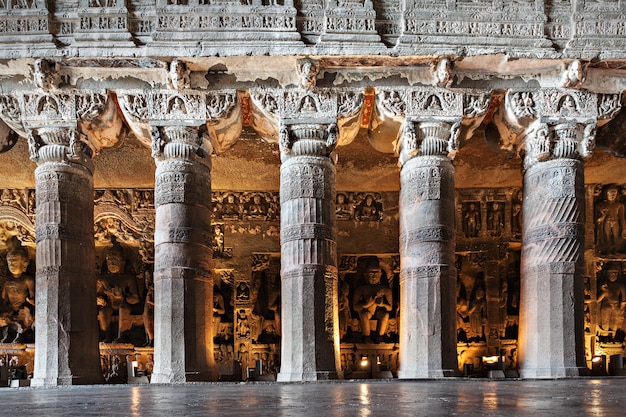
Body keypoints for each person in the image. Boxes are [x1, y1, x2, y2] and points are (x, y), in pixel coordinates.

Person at [97, 241, 141, 343]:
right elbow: (96, 296)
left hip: (124, 304)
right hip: (109, 304)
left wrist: (123, 296)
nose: (112, 264)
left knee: (123, 309)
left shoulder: (128, 278)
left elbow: (136, 297)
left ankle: (122, 336)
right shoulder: (103, 279)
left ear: (122, 262)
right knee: (103, 311)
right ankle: (107, 336)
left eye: (115, 261)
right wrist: (100, 300)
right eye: (110, 261)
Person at [1, 239, 35, 343]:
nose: (12, 265)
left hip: (24, 309)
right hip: (11, 310)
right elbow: (4, 299)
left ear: (24, 264)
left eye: (15, 261)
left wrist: (31, 302)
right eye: (9, 262)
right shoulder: (7, 282)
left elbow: (34, 298)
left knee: (25, 319)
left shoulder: (27, 280)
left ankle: (20, 335)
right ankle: (8, 334)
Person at [352, 259, 393, 343]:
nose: (374, 277)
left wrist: (382, 304)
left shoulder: (386, 290)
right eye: (371, 274)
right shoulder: (361, 289)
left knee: (385, 315)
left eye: (376, 274)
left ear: (381, 275)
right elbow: (355, 307)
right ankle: (366, 336)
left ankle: (380, 336)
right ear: (366, 275)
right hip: (368, 311)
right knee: (363, 314)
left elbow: (390, 308)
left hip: (379, 312)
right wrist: (367, 304)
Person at [597, 263, 626, 334]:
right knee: (605, 323)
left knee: (615, 324)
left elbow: (623, 300)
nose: (613, 275)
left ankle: (613, 336)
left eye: (615, 273)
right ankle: (604, 336)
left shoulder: (621, 286)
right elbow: (598, 300)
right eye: (611, 273)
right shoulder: (604, 285)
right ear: (606, 274)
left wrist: (622, 309)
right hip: (606, 306)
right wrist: (603, 291)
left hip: (616, 306)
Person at [596, 185, 626, 253]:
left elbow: (622, 218)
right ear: (606, 193)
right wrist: (603, 214)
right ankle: (607, 249)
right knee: (607, 236)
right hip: (607, 221)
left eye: (614, 193)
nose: (613, 195)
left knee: (616, 236)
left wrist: (624, 229)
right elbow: (598, 219)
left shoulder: (619, 205)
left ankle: (616, 249)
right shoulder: (601, 205)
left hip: (615, 221)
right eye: (611, 193)